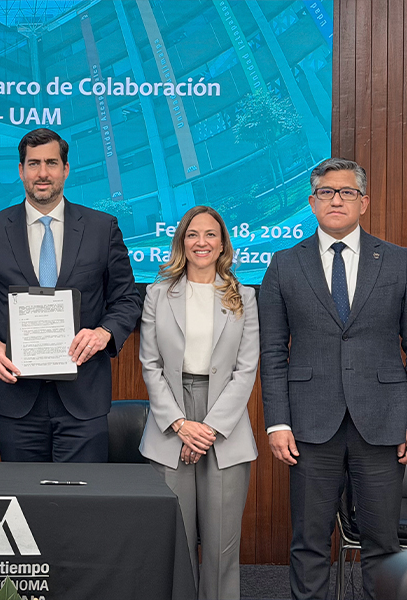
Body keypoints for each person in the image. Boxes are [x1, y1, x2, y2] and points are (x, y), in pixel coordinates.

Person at [259, 158, 407, 599]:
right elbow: (272, 352)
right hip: (308, 427)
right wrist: (277, 422)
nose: (336, 199)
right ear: (312, 201)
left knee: (383, 544)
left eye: (346, 192)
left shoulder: (399, 261)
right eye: (326, 191)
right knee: (309, 544)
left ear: (364, 202)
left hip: (383, 423)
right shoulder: (284, 264)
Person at [0, 128, 142, 462]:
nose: (42, 173)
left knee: (83, 508)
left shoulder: (102, 228)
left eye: (51, 163)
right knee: (25, 507)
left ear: (66, 169)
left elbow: (127, 299)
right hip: (16, 398)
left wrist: (104, 333)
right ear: (21, 170)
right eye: (33, 164)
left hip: (83, 398)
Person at [138, 205, 258, 599]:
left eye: (210, 234)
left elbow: (245, 370)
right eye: (193, 234)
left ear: (222, 242)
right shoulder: (157, 294)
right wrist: (179, 425)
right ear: (181, 242)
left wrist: (207, 429)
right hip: (171, 421)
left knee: (223, 546)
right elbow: (150, 365)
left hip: (224, 424)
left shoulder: (245, 296)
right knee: (178, 542)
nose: (201, 242)